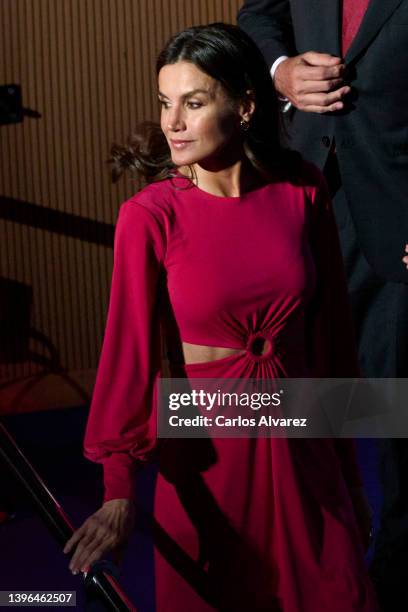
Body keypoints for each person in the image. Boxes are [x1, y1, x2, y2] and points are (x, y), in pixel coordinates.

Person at [63, 23, 377, 611]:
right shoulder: (149, 216)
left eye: (194, 103)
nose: (172, 123)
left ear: (247, 105)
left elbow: (333, 342)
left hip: (305, 449)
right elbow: (126, 357)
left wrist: (352, 483)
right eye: (165, 103)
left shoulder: (303, 190)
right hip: (208, 457)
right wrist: (118, 488)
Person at [237, 1, 408, 608]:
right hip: (300, 183)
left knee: (394, 404)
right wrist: (280, 70)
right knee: (296, 391)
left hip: (397, 203)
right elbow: (258, 13)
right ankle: (309, 559)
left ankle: (392, 574)